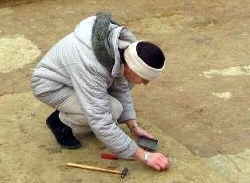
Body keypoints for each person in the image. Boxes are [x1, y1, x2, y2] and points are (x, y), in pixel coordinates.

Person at [31, 12, 170, 171]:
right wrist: (143, 156)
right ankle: (61, 123)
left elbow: (121, 86)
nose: (146, 83)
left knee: (123, 88)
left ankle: (74, 110)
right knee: (113, 110)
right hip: (50, 85)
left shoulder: (124, 49)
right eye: (145, 78)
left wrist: (133, 126)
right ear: (131, 68)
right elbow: (100, 120)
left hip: (75, 79)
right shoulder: (91, 64)